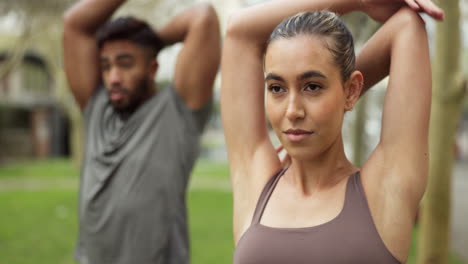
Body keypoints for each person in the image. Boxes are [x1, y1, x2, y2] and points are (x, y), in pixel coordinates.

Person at [221, 0, 444, 263]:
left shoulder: (385, 190)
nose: (292, 111)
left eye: (312, 87)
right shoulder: (256, 184)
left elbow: (406, 26)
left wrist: (340, 98)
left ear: (352, 90)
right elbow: (238, 31)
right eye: (277, 88)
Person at [62, 0, 220, 263]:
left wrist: (152, 41)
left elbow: (202, 17)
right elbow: (74, 23)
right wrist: (142, 45)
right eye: (106, 66)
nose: (113, 77)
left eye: (125, 64)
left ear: (152, 68)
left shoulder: (177, 113)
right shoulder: (97, 107)